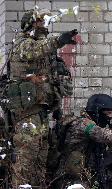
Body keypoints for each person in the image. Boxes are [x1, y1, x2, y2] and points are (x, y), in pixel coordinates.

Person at [1, 8, 77, 188]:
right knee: (26, 158)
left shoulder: (45, 50)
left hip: (42, 112)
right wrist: (58, 40)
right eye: (40, 22)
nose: (44, 25)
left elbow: (52, 79)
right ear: (30, 24)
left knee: (41, 156)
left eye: (45, 22)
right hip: (26, 114)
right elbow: (33, 51)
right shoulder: (22, 43)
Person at [51, 94, 112, 189]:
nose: (110, 117)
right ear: (97, 112)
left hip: (89, 173)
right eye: (108, 113)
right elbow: (102, 134)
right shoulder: (83, 124)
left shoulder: (93, 125)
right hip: (70, 178)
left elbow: (103, 158)